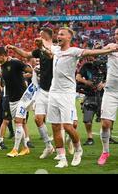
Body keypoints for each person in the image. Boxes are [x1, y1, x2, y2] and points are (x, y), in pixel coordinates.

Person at [47, 28, 118, 168]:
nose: (58, 36)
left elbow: (90, 53)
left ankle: (78, 149)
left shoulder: (74, 51)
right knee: (56, 126)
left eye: (62, 34)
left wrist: (106, 51)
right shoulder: (56, 50)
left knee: (67, 126)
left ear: (69, 38)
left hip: (66, 93)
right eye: (58, 33)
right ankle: (63, 157)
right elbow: (48, 44)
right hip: (54, 92)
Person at [7, 27, 55, 158]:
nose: (38, 37)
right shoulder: (39, 51)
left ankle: (64, 148)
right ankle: (48, 146)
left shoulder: (56, 49)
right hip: (42, 89)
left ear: (46, 36)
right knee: (38, 119)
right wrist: (13, 48)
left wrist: (43, 48)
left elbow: (51, 55)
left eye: (40, 35)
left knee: (60, 122)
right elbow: (26, 55)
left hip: (57, 90)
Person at [0, 47, 34, 157]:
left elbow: (30, 71)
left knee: (18, 122)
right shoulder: (3, 66)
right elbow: (9, 77)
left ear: (2, 55)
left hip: (22, 98)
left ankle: (15, 149)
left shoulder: (15, 63)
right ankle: (25, 147)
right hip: (11, 99)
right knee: (21, 122)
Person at [98, 28, 118, 165]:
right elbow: (99, 52)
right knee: (105, 124)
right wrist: (103, 48)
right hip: (111, 91)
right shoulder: (111, 47)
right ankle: (105, 152)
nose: (117, 36)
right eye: (116, 34)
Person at [76, 55, 106, 146]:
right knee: (87, 119)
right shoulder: (86, 66)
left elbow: (112, 78)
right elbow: (78, 77)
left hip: (103, 95)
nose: (93, 58)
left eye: (94, 57)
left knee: (105, 118)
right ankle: (90, 137)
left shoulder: (106, 67)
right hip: (89, 95)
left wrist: (104, 83)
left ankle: (106, 136)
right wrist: (87, 82)